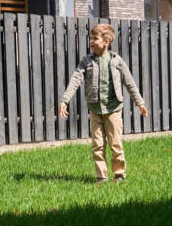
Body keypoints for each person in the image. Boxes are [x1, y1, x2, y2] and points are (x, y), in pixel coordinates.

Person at [59, 23, 148, 183]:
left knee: (115, 144)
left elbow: (129, 83)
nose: (91, 41)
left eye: (95, 38)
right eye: (90, 38)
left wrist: (139, 102)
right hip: (95, 111)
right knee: (98, 146)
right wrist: (65, 99)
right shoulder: (86, 61)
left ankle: (119, 175)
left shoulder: (116, 61)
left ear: (106, 42)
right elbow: (75, 79)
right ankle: (101, 177)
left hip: (113, 110)